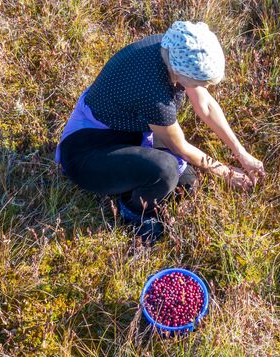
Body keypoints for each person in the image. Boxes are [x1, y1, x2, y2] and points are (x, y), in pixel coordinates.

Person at [55, 21, 264, 244]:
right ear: (179, 72)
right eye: (200, 82)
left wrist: (241, 154)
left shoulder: (173, 48)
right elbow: (179, 146)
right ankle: (133, 210)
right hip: (86, 150)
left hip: (124, 131)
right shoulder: (153, 93)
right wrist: (226, 173)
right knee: (165, 172)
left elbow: (206, 106)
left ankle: (131, 185)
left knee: (186, 184)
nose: (204, 87)